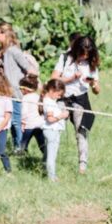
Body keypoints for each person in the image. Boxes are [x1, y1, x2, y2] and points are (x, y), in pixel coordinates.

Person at [50, 34, 101, 174]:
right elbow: (53, 79)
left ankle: (82, 166)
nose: (84, 57)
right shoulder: (65, 58)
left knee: (81, 133)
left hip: (80, 100)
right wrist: (71, 78)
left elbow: (97, 91)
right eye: (82, 54)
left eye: (87, 55)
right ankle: (50, 162)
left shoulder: (92, 64)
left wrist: (94, 84)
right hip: (62, 98)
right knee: (56, 129)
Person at [0, 23, 39, 150]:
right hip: (6, 91)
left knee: (16, 121)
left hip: (15, 91)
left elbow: (29, 69)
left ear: (4, 34)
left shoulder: (13, 51)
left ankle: (20, 148)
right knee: (10, 121)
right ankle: (16, 146)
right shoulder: (5, 51)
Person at [40, 79, 68, 181]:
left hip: (52, 130)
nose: (59, 97)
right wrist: (62, 116)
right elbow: (50, 119)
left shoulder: (51, 100)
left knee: (48, 153)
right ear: (52, 90)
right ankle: (52, 178)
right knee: (52, 156)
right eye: (58, 94)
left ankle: (43, 170)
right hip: (51, 130)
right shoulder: (48, 102)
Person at [18, 73, 46, 156]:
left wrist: (22, 123)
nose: (20, 90)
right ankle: (47, 157)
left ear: (25, 89)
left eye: (21, 88)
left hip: (29, 126)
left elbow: (24, 113)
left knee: (23, 143)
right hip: (39, 125)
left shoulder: (26, 98)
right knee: (42, 144)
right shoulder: (38, 97)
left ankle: (22, 158)